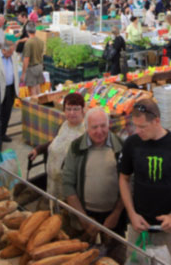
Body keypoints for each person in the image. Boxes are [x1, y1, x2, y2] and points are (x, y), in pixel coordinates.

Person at [118, 99, 171, 265]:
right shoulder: (131, 144)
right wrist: (131, 214)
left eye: (142, 127)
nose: (137, 131)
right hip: (138, 228)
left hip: (170, 231)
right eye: (135, 126)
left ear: (157, 121)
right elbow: (124, 179)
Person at [62, 108, 127, 263]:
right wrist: (84, 219)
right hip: (84, 215)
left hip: (114, 218)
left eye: (103, 126)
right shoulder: (76, 148)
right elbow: (68, 184)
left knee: (115, 259)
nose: (99, 131)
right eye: (94, 127)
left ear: (109, 124)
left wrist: (116, 214)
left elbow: (129, 184)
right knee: (84, 258)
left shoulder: (121, 146)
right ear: (86, 127)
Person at [28, 92, 86, 197]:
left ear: (83, 110)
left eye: (76, 109)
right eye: (68, 109)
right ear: (64, 110)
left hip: (71, 186)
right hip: (53, 180)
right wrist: (38, 149)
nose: (72, 113)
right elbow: (56, 141)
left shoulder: (86, 131)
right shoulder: (63, 125)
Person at [21, 21, 45, 90]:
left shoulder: (28, 43)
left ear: (27, 31)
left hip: (31, 68)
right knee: (38, 88)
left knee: (32, 91)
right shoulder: (40, 41)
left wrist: (23, 73)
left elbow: (26, 59)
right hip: (39, 67)